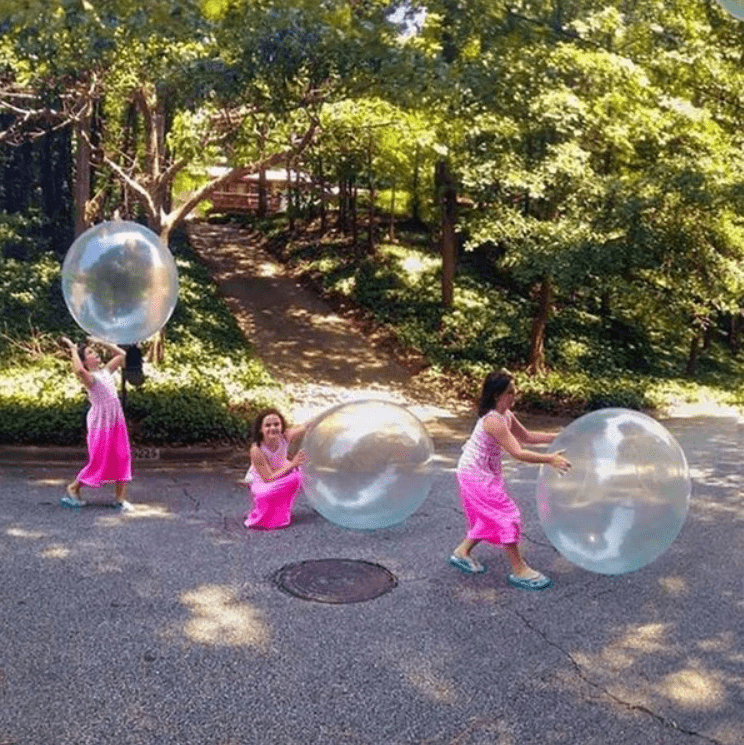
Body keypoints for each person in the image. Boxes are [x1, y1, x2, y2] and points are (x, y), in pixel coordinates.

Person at [449, 370, 570, 590]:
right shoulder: (493, 420)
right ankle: (519, 569)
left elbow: (527, 437)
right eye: (510, 393)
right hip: (474, 473)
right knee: (507, 515)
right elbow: (518, 452)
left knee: (490, 515)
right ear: (497, 395)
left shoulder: (506, 414)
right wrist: (550, 459)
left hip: (486, 471)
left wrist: (559, 436)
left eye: (515, 392)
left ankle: (461, 552)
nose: (514, 396)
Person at [60, 335, 132, 509]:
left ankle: (120, 499)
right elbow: (78, 371)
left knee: (123, 456)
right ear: (85, 361)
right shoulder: (90, 378)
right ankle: (73, 488)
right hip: (101, 424)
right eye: (91, 352)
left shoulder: (105, 371)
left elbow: (123, 355)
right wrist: (72, 349)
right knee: (99, 460)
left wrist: (102, 342)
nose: (96, 353)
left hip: (116, 422)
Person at [244, 408, 307, 530]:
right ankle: (262, 515)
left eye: (276, 424)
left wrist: (326, 416)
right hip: (262, 483)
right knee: (265, 494)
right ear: (260, 429)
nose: (273, 428)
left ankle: (281, 514)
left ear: (282, 426)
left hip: (282, 476)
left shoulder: (286, 436)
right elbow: (268, 478)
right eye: (268, 425)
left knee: (297, 477)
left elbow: (306, 427)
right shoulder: (256, 449)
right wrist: (292, 464)